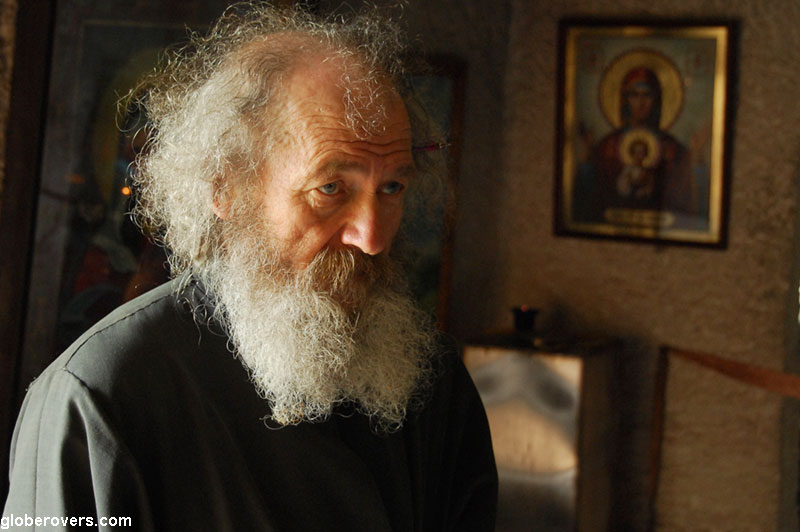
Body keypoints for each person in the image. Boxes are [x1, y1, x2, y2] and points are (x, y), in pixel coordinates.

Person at [2, 3, 497, 530]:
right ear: (226, 188)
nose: (372, 237)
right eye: (330, 189)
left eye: (392, 187)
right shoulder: (101, 395)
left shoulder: (430, 379)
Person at [574, 66, 696, 223]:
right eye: (634, 95)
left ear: (656, 100)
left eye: (647, 95)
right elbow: (589, 201)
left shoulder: (672, 147)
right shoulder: (607, 145)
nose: (641, 103)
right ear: (625, 100)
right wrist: (587, 157)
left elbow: (684, 202)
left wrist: (696, 159)